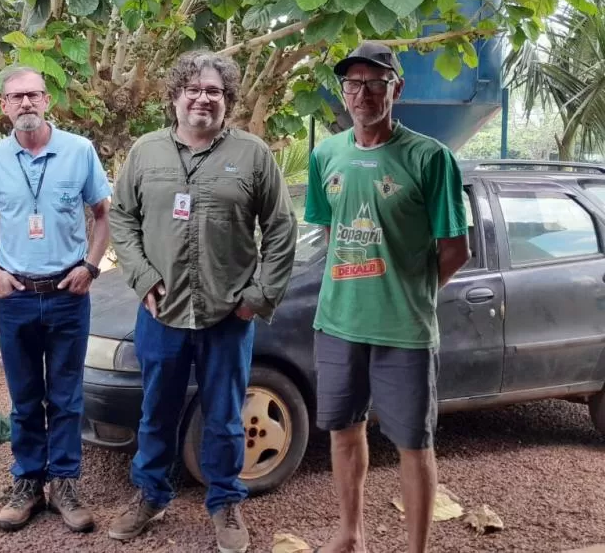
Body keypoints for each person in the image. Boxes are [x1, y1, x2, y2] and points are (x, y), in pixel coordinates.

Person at [108, 52, 297, 553]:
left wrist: (258, 296)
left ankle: (225, 501)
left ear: (227, 101)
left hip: (227, 316)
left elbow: (280, 228)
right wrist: (143, 277)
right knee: (156, 412)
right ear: (174, 96)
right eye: (192, 88)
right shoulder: (145, 153)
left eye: (214, 91)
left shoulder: (253, 155)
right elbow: (122, 219)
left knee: (225, 415)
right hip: (161, 313)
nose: (202, 98)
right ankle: (150, 495)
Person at [304, 41, 470, 553]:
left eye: (376, 83)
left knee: (413, 445)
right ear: (343, 91)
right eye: (353, 83)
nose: (363, 93)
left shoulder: (430, 157)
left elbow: (455, 250)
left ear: (396, 88)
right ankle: (349, 533)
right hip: (337, 324)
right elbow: (331, 236)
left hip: (404, 332)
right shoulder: (325, 154)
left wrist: (407, 292)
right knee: (343, 432)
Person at [0, 65, 112, 534]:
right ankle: (27, 483)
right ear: (2, 106)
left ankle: (64, 484)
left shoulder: (79, 151)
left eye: (33, 95)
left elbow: (103, 215)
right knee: (25, 399)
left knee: (66, 398)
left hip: (68, 295)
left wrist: (90, 266)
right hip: (17, 298)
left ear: (47, 100)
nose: (25, 103)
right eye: (15, 97)